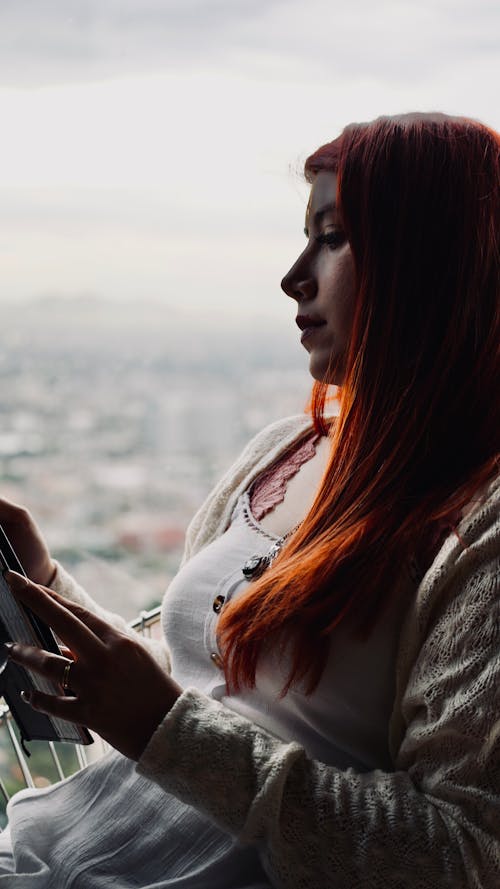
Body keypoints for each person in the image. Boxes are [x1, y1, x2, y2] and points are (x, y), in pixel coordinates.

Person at [0, 111, 498, 888]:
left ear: (429, 263)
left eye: (333, 238)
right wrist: (46, 583)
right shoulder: (280, 451)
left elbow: (464, 855)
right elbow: (203, 698)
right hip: (55, 852)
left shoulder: (481, 520)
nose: (294, 274)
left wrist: (162, 728)